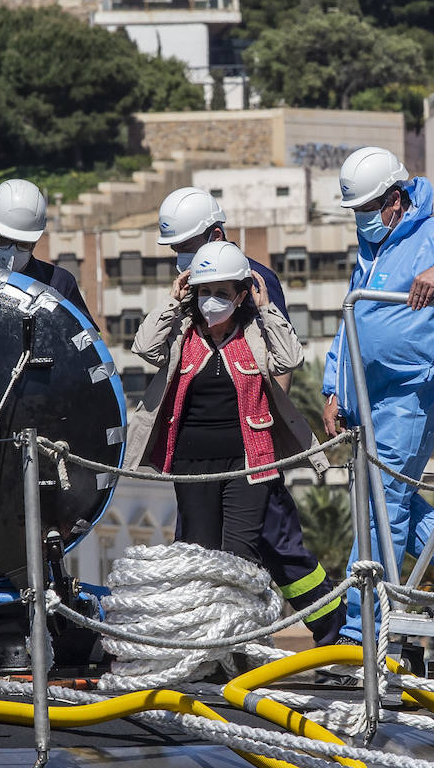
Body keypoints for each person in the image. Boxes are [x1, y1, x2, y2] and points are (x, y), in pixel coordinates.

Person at [321, 146, 434, 644]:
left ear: (395, 199)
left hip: (417, 392)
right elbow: (351, 322)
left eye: (365, 209)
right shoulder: (373, 250)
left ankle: (364, 630)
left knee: (385, 502)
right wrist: (334, 389)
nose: (360, 220)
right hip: (372, 395)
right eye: (355, 211)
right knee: (383, 497)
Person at [155, 187, 345, 645]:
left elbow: (278, 364)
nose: (181, 258)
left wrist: (262, 436)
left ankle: (334, 629)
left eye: (186, 247)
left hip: (249, 446)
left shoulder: (252, 280)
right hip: (204, 449)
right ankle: (216, 637)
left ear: (216, 234)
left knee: (277, 542)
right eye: (176, 250)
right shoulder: (193, 284)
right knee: (207, 546)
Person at [124, 241, 328, 568]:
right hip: (191, 464)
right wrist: (172, 301)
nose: (211, 300)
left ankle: (242, 620)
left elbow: (290, 359)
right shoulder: (182, 332)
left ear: (240, 296)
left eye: (222, 291)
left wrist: (267, 309)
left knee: (241, 556)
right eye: (205, 291)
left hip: (249, 462)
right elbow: (145, 348)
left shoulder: (255, 332)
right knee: (198, 555)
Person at [0, 178, 99, 330]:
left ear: (35, 243)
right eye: (4, 242)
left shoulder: (59, 283)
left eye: (23, 244)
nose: (13, 253)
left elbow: (88, 344)